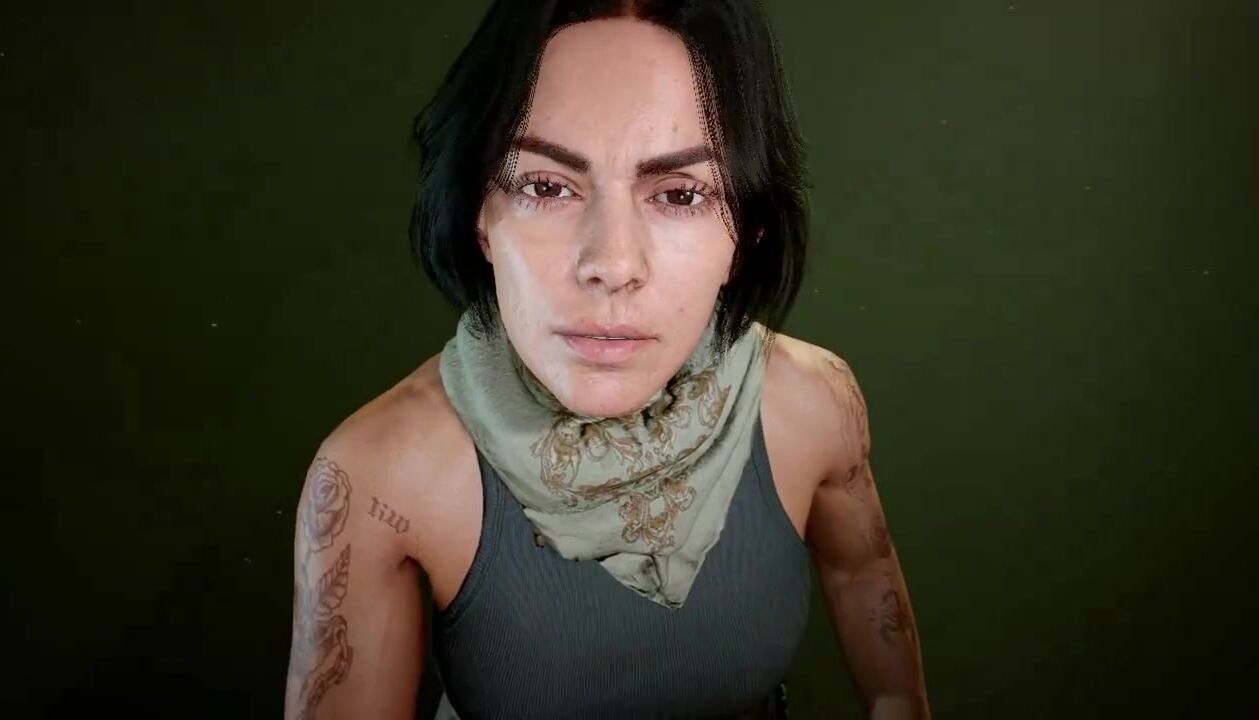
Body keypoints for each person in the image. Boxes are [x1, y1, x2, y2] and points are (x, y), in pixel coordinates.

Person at [284, 1, 929, 718]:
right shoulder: (381, 471)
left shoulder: (814, 401)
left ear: (744, 234)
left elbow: (865, 593)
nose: (613, 264)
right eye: (546, 186)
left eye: (679, 194)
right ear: (479, 216)